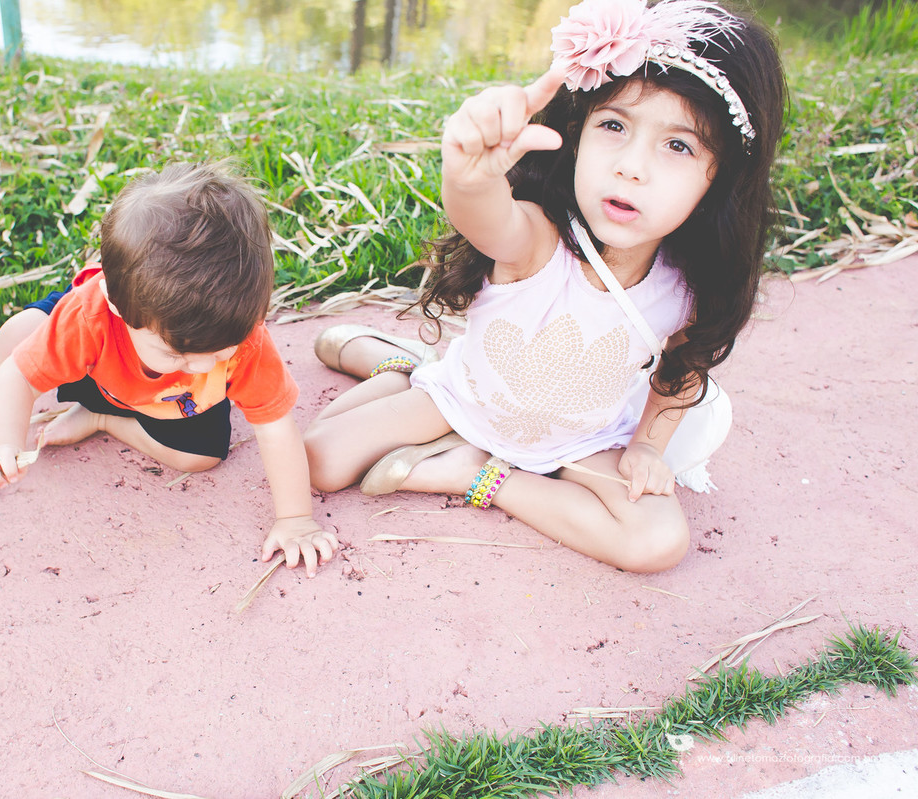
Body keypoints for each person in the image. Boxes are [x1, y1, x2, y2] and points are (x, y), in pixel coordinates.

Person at [304, 0, 786, 572]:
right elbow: (486, 216)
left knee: (655, 542)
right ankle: (401, 367)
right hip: (464, 402)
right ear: (579, 133)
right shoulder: (538, 240)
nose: (632, 166)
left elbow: (685, 368)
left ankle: (476, 472)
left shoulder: (687, 288)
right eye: (614, 125)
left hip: (579, 441)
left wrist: (650, 447)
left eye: (678, 145)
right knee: (319, 461)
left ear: (720, 178)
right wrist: (468, 175)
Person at [0, 162, 338, 576]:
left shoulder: (242, 338)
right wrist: (1, 444)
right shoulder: (87, 318)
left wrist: (295, 519)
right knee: (17, 334)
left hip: (174, 403)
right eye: (179, 353)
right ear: (117, 306)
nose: (205, 364)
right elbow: (16, 378)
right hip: (95, 369)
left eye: (221, 349)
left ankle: (102, 418)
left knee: (202, 457)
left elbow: (276, 427)